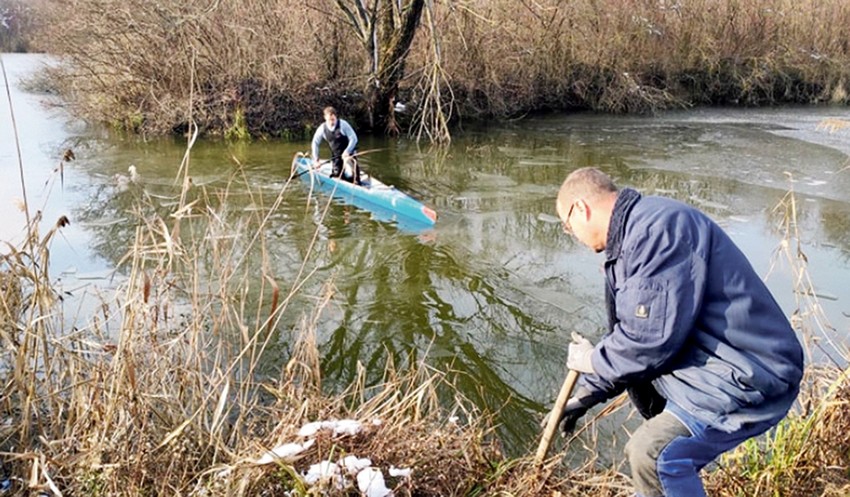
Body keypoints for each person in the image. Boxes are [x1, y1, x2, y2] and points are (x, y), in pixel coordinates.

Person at [554, 167, 804, 497]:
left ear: (580, 209)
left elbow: (647, 342)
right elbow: (635, 335)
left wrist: (593, 361)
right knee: (652, 459)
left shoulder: (655, 233)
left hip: (748, 375)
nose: (575, 237)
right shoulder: (634, 236)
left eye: (569, 228)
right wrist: (588, 393)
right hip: (716, 369)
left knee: (654, 455)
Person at [311, 106, 360, 185]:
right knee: (337, 175)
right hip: (336, 156)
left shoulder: (343, 125)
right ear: (325, 118)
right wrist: (316, 160)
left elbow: (354, 139)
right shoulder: (322, 128)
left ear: (336, 117)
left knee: (356, 179)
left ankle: (356, 181)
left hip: (349, 154)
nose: (331, 122)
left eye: (333, 119)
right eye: (329, 120)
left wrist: (347, 151)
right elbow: (315, 143)